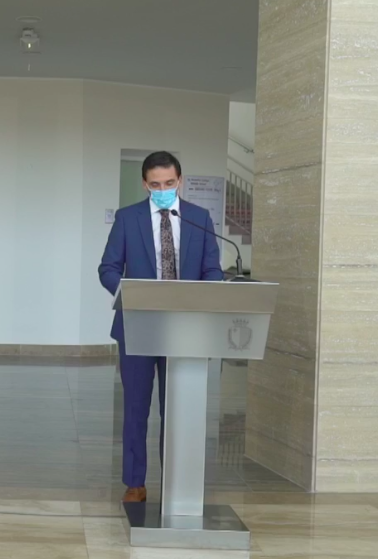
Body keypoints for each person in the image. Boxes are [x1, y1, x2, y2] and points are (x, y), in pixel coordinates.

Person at [98, 151, 223, 503]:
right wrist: (127, 292)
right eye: (156, 185)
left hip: (185, 329)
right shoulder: (128, 218)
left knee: (178, 411)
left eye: (169, 183)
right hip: (137, 326)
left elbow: (212, 269)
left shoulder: (200, 218)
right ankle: (134, 483)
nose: (163, 189)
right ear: (145, 184)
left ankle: (175, 481)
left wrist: (206, 296)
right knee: (136, 409)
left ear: (179, 181)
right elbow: (107, 267)